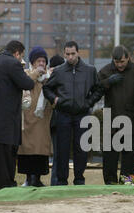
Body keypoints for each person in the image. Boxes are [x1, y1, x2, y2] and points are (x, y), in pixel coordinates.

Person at [0, 41, 40, 190]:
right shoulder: (12, 63)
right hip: (4, 120)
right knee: (4, 154)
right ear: (17, 53)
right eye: (21, 56)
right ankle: (5, 182)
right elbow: (27, 84)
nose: (21, 59)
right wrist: (35, 74)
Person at [43, 41, 102, 186]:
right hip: (63, 114)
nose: (70, 57)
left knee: (81, 149)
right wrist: (55, 100)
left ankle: (79, 179)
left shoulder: (90, 71)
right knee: (62, 149)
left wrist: (89, 103)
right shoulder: (59, 71)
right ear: (64, 54)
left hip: (82, 115)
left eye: (73, 54)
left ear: (78, 53)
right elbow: (47, 88)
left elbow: (98, 89)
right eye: (67, 54)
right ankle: (62, 181)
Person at [98, 45, 134, 185]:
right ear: (112, 60)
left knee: (130, 155)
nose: (120, 65)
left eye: (122, 62)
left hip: (131, 119)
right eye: (117, 62)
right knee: (109, 155)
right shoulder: (105, 72)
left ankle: (127, 181)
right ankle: (110, 182)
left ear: (128, 58)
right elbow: (96, 90)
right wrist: (107, 82)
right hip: (111, 119)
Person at [17, 46, 53, 187]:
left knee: (40, 151)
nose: (41, 64)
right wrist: (35, 74)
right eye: (39, 61)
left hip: (42, 120)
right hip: (27, 120)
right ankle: (28, 178)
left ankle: (37, 178)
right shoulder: (26, 74)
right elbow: (24, 83)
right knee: (27, 150)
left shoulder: (48, 78)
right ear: (32, 62)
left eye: (44, 61)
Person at [48, 54, 65, 186]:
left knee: (59, 155)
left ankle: (57, 180)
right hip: (53, 122)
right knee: (58, 155)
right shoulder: (50, 80)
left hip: (57, 121)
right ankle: (56, 181)